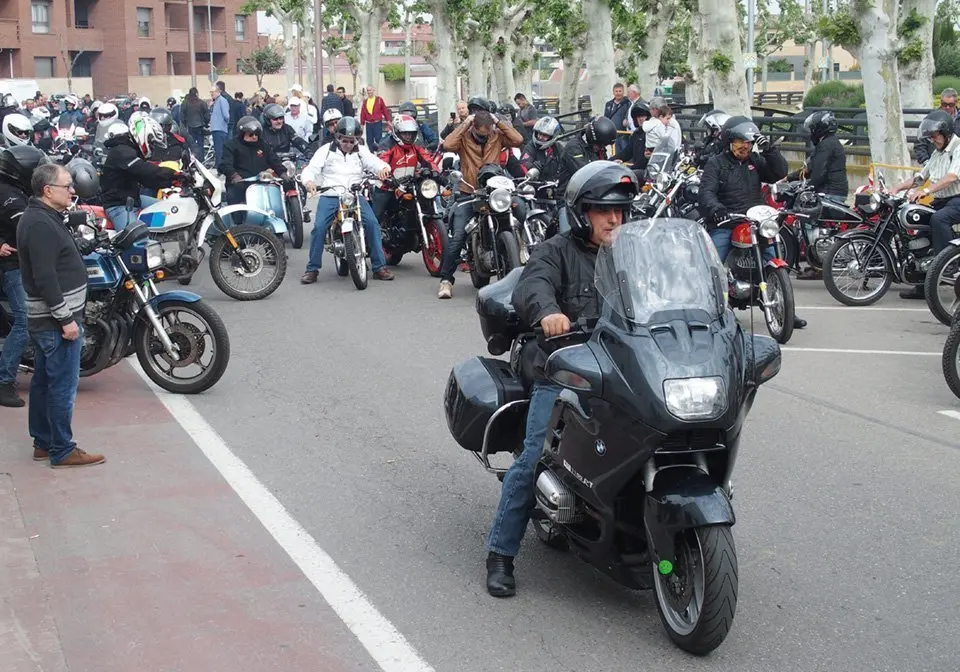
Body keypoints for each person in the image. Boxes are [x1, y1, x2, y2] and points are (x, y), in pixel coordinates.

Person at [484, 160, 639, 597]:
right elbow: (531, 285)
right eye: (602, 210)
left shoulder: (633, 253)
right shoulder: (555, 251)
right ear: (579, 212)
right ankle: (500, 554)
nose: (614, 219)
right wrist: (548, 312)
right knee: (533, 456)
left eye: (621, 211)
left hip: (622, 370)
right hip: (565, 371)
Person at [18, 163, 105, 467]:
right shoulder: (39, 223)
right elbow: (45, 278)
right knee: (62, 385)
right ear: (47, 190)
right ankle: (62, 448)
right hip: (54, 320)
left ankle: (43, 441)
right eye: (66, 186)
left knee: (44, 380)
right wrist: (66, 319)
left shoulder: (44, 217)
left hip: (51, 319)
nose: (72, 191)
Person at [698, 115, 807, 329]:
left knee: (774, 258)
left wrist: (769, 150)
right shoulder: (716, 164)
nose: (745, 146)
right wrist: (717, 209)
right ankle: (711, 311)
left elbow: (779, 172)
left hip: (755, 222)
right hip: (727, 222)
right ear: (729, 141)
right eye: (740, 142)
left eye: (748, 142)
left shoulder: (755, 161)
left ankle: (784, 308)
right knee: (713, 263)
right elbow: (706, 193)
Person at [436, 110, 524, 299]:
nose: (485, 137)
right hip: (470, 192)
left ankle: (520, 250)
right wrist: (465, 124)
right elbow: (448, 144)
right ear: (473, 128)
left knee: (521, 209)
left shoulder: (497, 135)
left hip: (495, 192)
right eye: (481, 134)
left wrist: (498, 122)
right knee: (458, 235)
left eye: (488, 132)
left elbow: (518, 140)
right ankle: (446, 280)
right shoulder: (464, 138)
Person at [299, 116, 395, 284]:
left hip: (355, 194)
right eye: (345, 140)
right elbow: (310, 170)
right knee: (319, 227)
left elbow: (378, 164)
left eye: (352, 141)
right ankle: (312, 269)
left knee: (372, 224)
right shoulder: (326, 150)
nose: (349, 144)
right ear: (337, 137)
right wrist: (309, 182)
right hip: (331, 194)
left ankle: (379, 267)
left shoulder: (362, 151)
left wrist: (384, 170)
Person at [0, 145, 50, 407]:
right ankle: (3, 380)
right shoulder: (10, 197)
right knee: (26, 320)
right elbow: (28, 230)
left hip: (20, 261)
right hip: (12, 265)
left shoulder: (15, 191)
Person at [893, 110, 960, 299]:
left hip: (957, 199)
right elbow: (921, 177)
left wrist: (927, 191)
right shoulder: (937, 154)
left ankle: (948, 262)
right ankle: (923, 287)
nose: (933, 140)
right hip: (942, 201)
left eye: (935, 136)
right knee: (920, 236)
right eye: (930, 138)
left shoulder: (958, 149)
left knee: (939, 219)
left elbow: (952, 177)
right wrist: (897, 188)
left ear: (946, 133)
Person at [786, 110, 848, 281]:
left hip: (830, 192)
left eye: (813, 128)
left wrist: (806, 187)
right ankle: (817, 263)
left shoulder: (826, 145)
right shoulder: (827, 143)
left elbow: (818, 174)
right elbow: (809, 168)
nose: (811, 132)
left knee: (808, 219)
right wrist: (788, 178)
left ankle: (820, 264)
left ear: (820, 128)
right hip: (832, 191)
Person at [100, 114, 178, 230]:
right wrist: (174, 175)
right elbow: (144, 170)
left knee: (169, 208)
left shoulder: (130, 150)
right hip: (118, 204)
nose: (152, 147)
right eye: (151, 142)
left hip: (133, 197)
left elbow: (146, 180)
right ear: (143, 136)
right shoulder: (122, 151)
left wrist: (172, 182)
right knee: (136, 239)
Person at [373, 114, 440, 225]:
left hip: (408, 185)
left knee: (425, 202)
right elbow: (381, 163)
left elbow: (428, 160)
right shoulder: (386, 146)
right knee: (376, 219)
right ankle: (371, 240)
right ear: (397, 132)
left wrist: (437, 174)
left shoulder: (416, 146)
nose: (409, 137)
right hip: (387, 187)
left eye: (411, 134)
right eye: (405, 133)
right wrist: (388, 179)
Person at [219, 116, 286, 211]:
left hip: (261, 183)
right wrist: (234, 176)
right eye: (251, 135)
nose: (254, 137)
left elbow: (274, 160)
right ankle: (238, 223)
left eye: (256, 134)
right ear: (242, 134)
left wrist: (283, 173)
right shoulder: (231, 146)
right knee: (234, 198)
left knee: (281, 192)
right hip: (240, 183)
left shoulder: (263, 145)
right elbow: (225, 164)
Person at [560, 116, 617, 190]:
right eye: (600, 145)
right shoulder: (574, 148)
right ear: (592, 139)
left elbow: (601, 166)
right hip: (570, 193)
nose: (602, 148)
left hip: (591, 191)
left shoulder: (598, 149)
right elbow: (585, 174)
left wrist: (612, 165)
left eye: (604, 145)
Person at [915, 88, 960, 166]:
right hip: (934, 162)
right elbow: (920, 143)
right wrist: (926, 162)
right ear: (941, 102)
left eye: (951, 105)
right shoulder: (931, 118)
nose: (947, 107)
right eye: (944, 104)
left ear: (956, 103)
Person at [615, 100, 652, 173]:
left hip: (649, 171)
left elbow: (643, 161)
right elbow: (627, 153)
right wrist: (609, 161)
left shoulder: (652, 134)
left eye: (643, 116)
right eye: (638, 116)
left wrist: (627, 168)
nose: (641, 119)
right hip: (636, 170)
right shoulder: (636, 134)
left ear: (648, 117)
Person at [179, 88, 210, 157]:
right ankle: (201, 160)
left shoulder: (185, 103)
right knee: (200, 144)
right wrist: (206, 124)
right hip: (200, 127)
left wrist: (185, 123)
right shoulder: (202, 103)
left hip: (189, 127)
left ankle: (192, 159)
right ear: (196, 94)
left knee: (191, 144)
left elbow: (181, 116)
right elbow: (207, 115)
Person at [359, 85, 391, 149]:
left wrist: (388, 121)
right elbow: (362, 114)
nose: (369, 92)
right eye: (367, 90)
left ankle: (380, 153)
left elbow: (385, 110)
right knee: (369, 141)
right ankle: (371, 154)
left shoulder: (379, 99)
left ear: (373, 90)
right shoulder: (365, 101)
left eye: (370, 90)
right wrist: (362, 124)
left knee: (378, 139)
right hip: (368, 124)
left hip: (377, 123)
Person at [604, 83, 630, 155]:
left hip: (625, 135)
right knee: (616, 155)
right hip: (614, 135)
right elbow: (606, 118)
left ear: (623, 91)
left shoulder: (627, 103)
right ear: (613, 92)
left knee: (626, 154)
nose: (618, 93)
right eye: (616, 91)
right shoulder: (609, 104)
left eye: (620, 91)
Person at [209, 86, 231, 167]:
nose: (211, 94)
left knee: (219, 149)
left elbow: (226, 115)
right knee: (217, 149)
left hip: (220, 128)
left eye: (213, 92)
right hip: (216, 128)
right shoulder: (216, 101)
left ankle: (219, 166)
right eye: (210, 92)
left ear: (218, 92)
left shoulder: (222, 100)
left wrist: (225, 122)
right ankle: (218, 165)